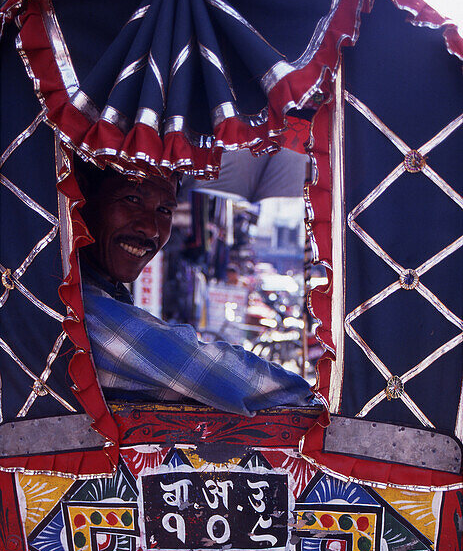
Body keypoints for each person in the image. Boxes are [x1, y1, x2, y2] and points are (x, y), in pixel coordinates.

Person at [78, 164, 318, 415]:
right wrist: (308, 395)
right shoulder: (83, 313)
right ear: (82, 195)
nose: (151, 228)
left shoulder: (100, 299)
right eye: (132, 199)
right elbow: (210, 373)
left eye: (164, 210)